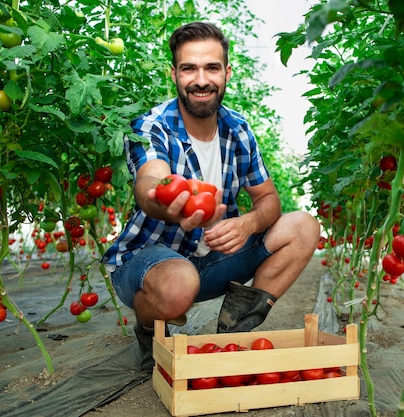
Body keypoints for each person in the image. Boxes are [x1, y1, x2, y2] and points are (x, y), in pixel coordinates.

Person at [101, 21, 320, 372]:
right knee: (178, 283)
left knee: (305, 226)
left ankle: (235, 327)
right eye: (189, 68)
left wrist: (248, 223)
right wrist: (166, 203)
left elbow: (269, 200)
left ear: (227, 73)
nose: (201, 80)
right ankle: (148, 328)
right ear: (173, 73)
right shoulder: (151, 126)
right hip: (148, 263)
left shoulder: (238, 129)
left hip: (215, 259)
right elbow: (149, 181)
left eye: (211, 68)